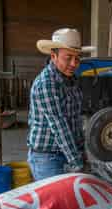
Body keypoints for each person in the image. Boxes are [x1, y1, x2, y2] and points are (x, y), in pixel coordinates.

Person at [27, 28, 94, 180]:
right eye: (68, 57)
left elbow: (75, 121)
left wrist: (82, 155)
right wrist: (78, 164)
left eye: (77, 58)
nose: (73, 64)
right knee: (57, 203)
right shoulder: (46, 83)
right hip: (47, 159)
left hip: (69, 153)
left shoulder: (71, 80)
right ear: (53, 56)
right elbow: (59, 125)